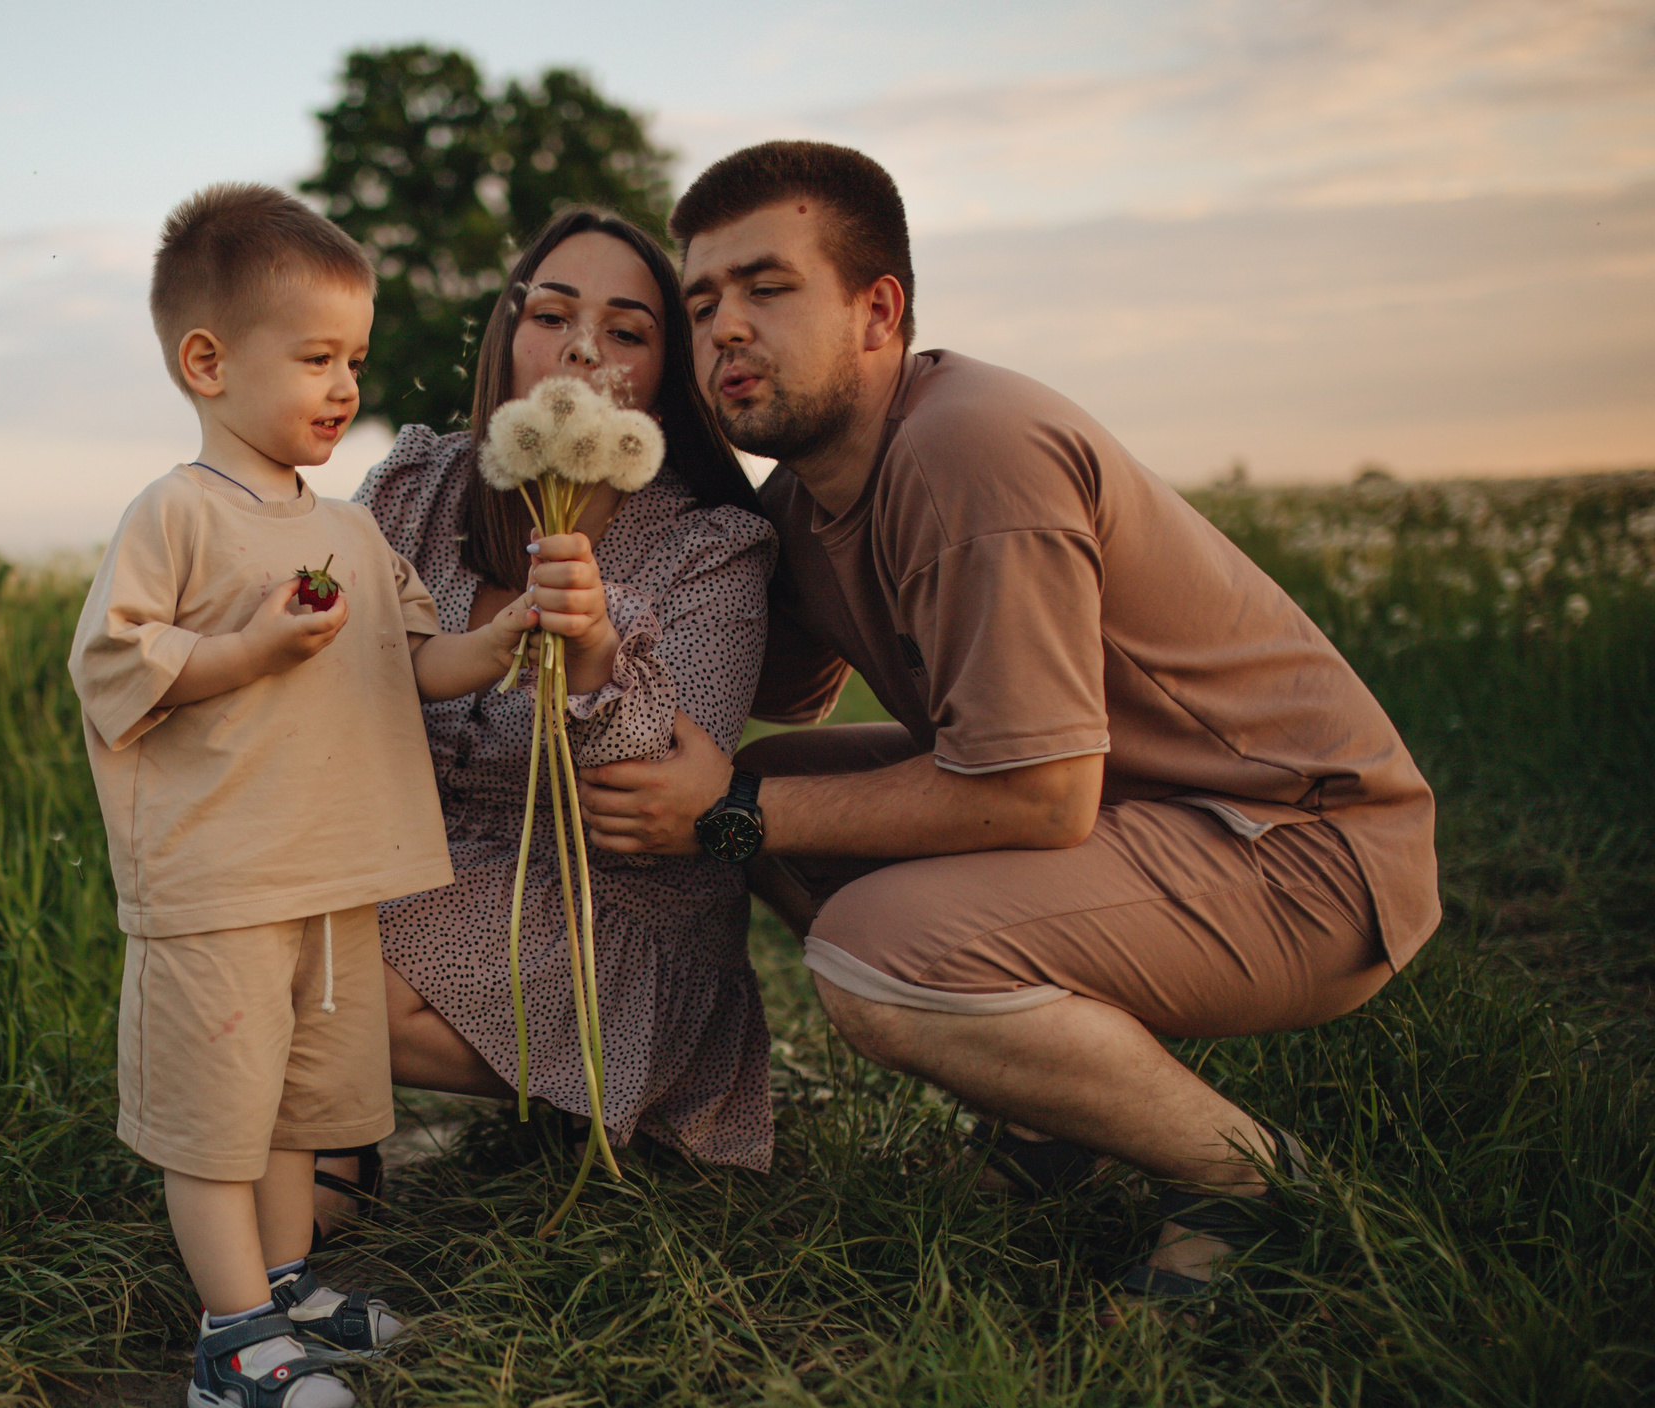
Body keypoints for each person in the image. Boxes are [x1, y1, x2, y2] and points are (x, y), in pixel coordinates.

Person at [577, 142, 1440, 1305]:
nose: (723, 327)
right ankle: (1055, 1130)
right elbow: (770, 693)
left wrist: (727, 812)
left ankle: (1255, 1190)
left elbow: (1040, 795)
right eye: (701, 302)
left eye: (766, 288)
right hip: (1153, 822)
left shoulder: (968, 450)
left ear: (877, 310)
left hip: (1306, 854)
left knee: (874, 953)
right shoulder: (812, 491)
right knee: (795, 798)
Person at [68, 184, 543, 1408]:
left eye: (356, 361)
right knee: (216, 1119)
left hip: (330, 878)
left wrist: (499, 641)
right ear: (208, 362)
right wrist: (251, 649)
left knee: (298, 1106)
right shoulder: (176, 513)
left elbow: (412, 666)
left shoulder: (346, 527)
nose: (343, 388)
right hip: (220, 879)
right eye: (316, 358)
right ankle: (230, 1341)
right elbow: (116, 667)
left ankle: (281, 1289)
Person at [316, 205, 780, 1237]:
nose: (581, 349)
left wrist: (592, 659)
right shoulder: (414, 486)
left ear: (665, 373)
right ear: (507, 333)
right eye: (553, 315)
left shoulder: (714, 547)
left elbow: (654, 793)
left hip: (608, 900)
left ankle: (623, 1093)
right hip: (422, 861)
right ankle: (323, 1131)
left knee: (321, 974)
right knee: (269, 932)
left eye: (626, 331)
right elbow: (332, 678)